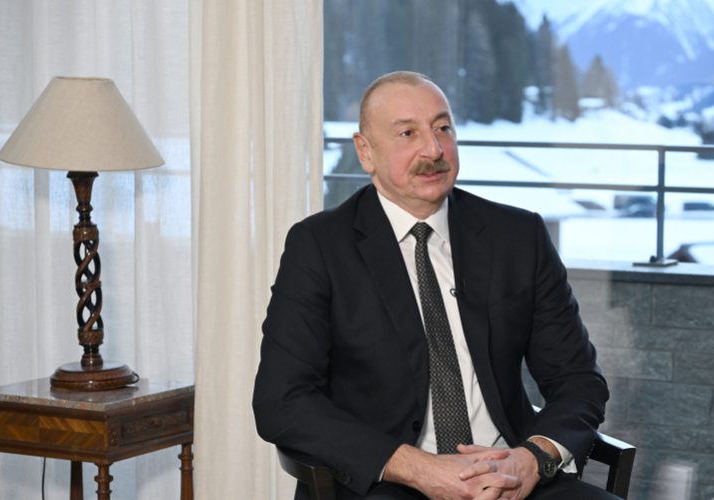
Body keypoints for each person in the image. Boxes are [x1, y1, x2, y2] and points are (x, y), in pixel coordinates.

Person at [253, 71, 612, 499]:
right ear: (365, 152)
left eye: (443, 128)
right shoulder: (320, 246)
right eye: (408, 133)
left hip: (510, 475)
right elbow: (281, 400)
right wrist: (418, 468)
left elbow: (578, 380)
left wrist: (534, 458)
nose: (434, 149)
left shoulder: (518, 237)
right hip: (388, 482)